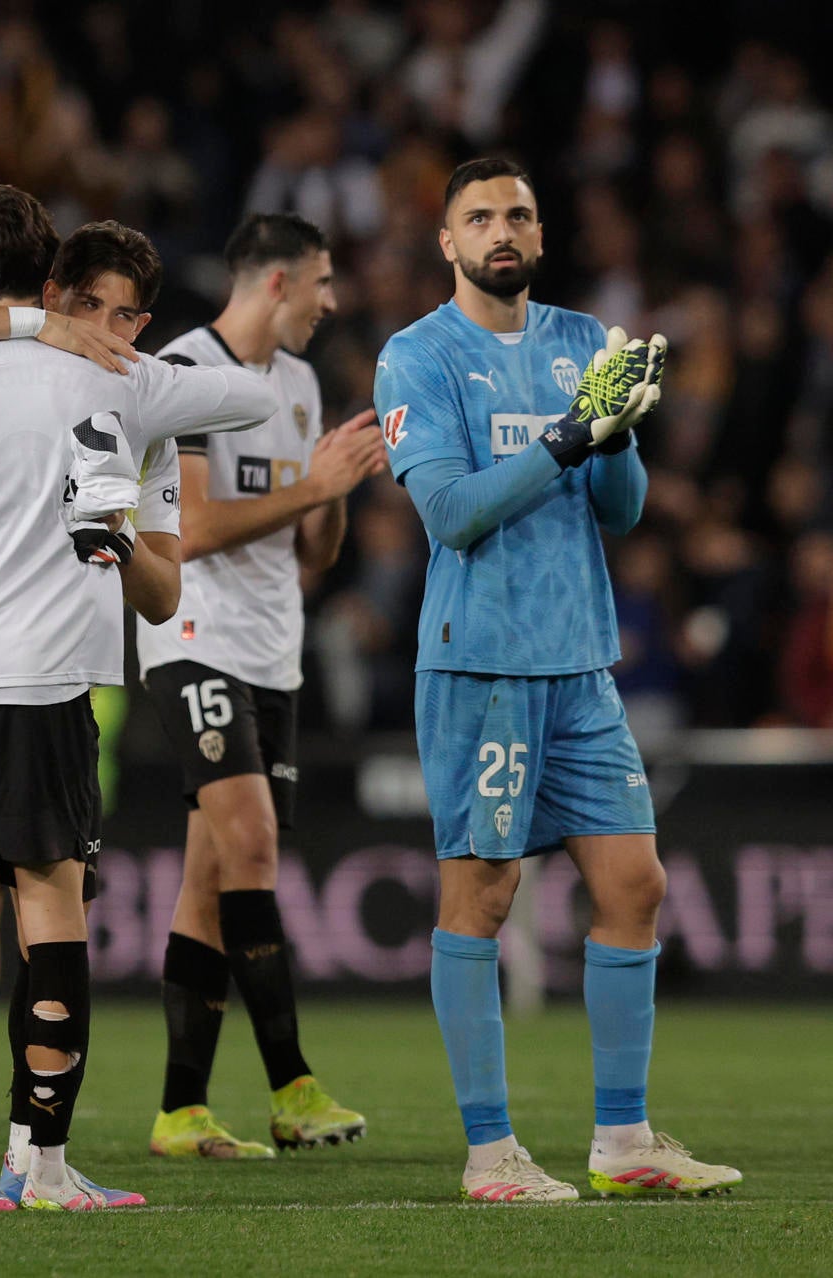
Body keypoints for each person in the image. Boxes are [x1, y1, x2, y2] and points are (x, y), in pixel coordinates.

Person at [0, 184, 276, 1214]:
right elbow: (253, 399)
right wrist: (110, 357)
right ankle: (42, 1164)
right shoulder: (117, 378)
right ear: (50, 282)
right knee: (49, 911)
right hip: (44, 682)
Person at [376, 157, 739, 1202]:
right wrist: (571, 434)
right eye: (480, 216)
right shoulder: (417, 356)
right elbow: (452, 514)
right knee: (482, 895)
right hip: (482, 660)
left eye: (519, 214)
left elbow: (621, 508)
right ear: (447, 241)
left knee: (636, 885)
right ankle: (490, 1155)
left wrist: (616, 433)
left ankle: (623, 1143)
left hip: (581, 660)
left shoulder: (585, 340)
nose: (502, 230)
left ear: (540, 234)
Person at [139, 213, 382, 1161]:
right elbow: (193, 529)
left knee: (210, 880)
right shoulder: (187, 373)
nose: (331, 302)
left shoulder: (300, 383)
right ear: (276, 282)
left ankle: (180, 1109)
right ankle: (292, 1085)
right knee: (252, 842)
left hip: (274, 652)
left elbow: (313, 552)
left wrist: (336, 488)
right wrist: (310, 487)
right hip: (194, 638)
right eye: (321, 282)